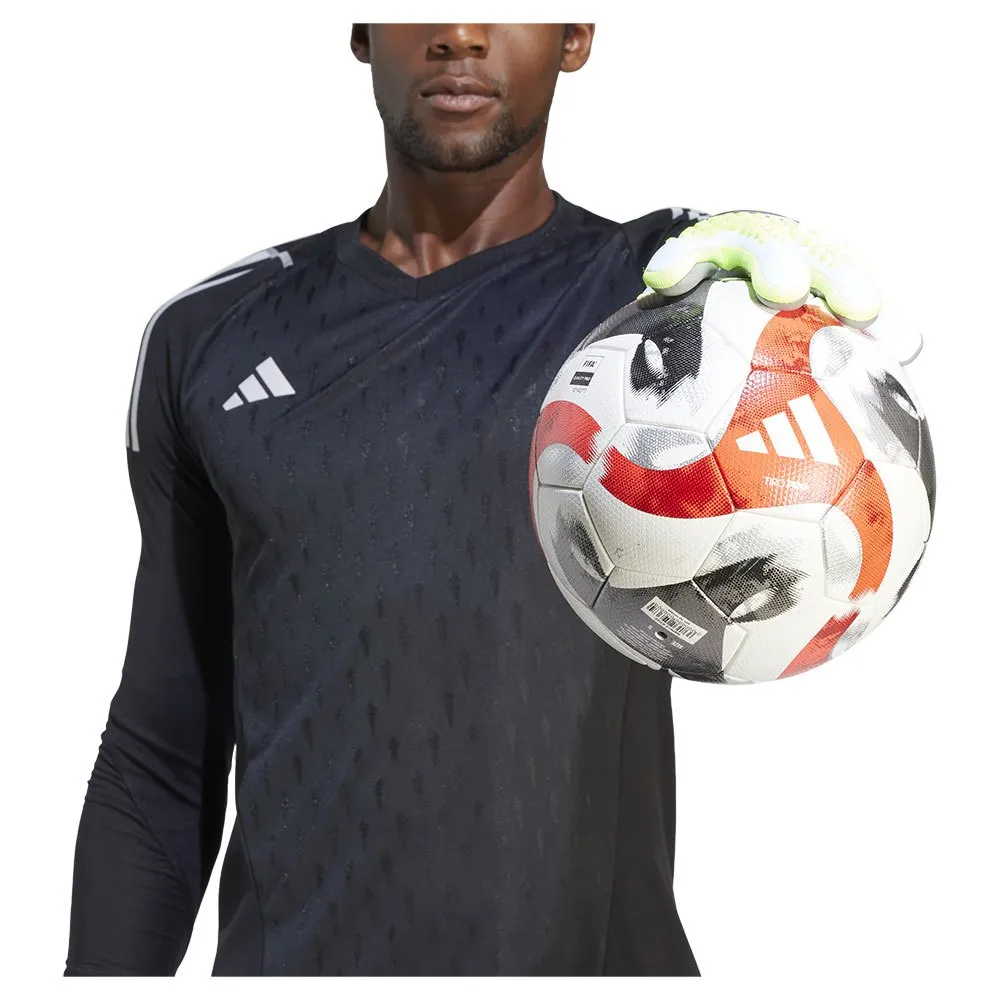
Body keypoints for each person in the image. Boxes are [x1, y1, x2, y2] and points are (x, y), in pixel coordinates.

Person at [66, 22, 791, 976]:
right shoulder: (212, 337)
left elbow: (796, 400)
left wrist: (772, 302)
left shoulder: (663, 307)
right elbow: (165, 748)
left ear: (575, 34)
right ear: (362, 30)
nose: (459, 32)